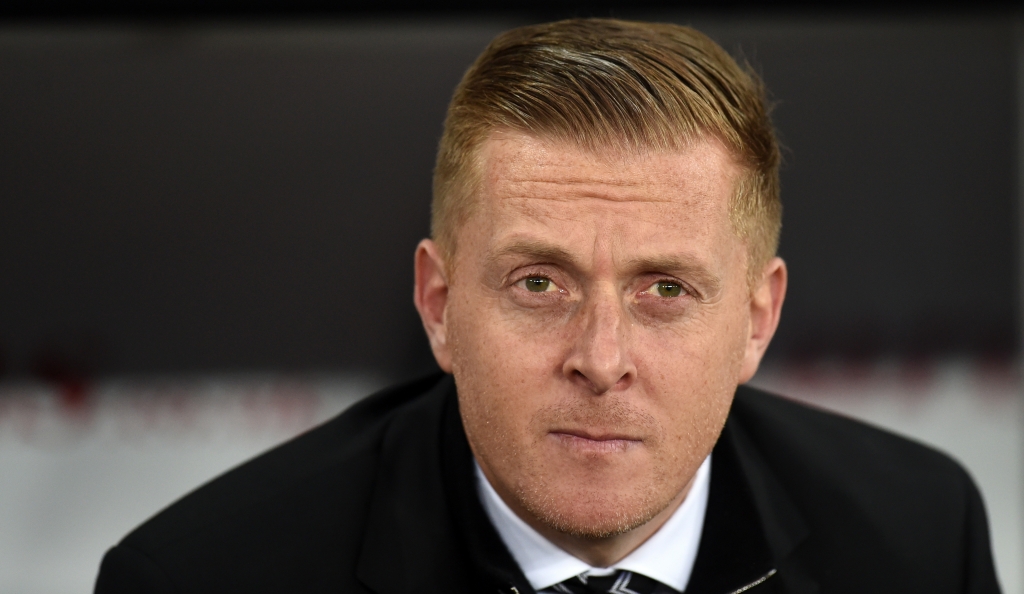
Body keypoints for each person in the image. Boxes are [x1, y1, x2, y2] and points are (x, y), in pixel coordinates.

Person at [94, 18, 1001, 594]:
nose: (602, 360)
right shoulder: (193, 579)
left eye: (666, 290)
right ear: (440, 304)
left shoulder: (920, 538)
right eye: (540, 284)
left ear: (757, 321)